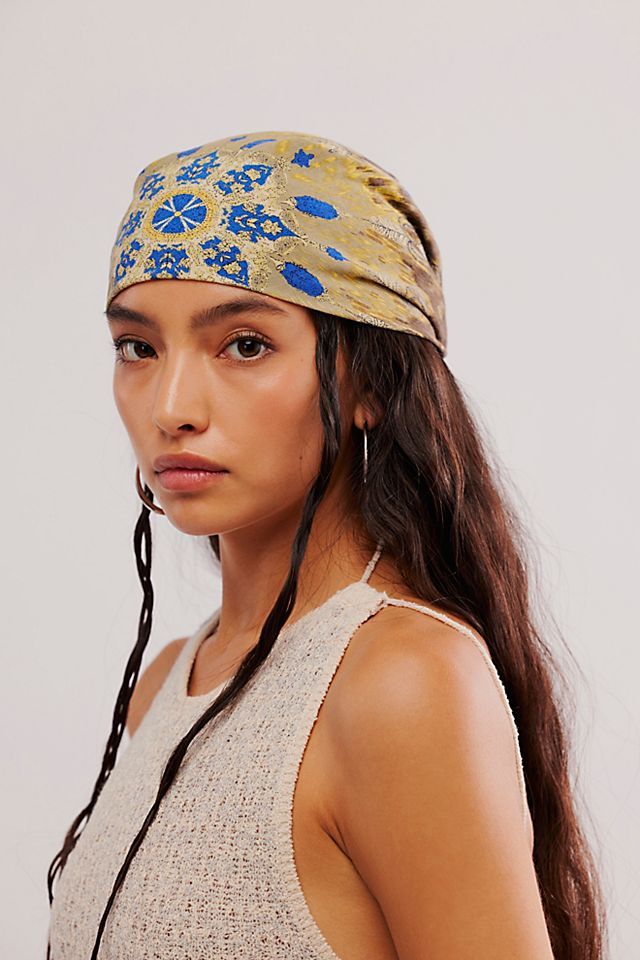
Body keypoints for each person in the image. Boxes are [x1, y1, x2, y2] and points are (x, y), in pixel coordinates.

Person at [46, 130, 607, 959]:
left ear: (369, 385)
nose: (170, 405)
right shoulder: (167, 685)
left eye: (244, 344)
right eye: (138, 347)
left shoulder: (401, 684)